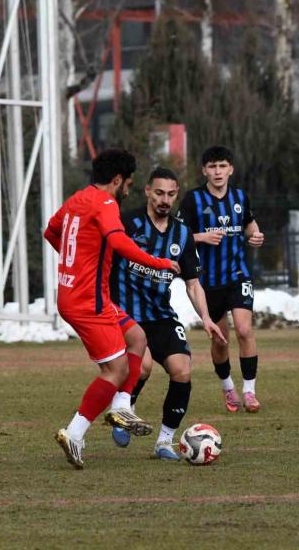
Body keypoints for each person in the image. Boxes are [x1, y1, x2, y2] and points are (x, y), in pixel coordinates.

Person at [43, 148, 180, 469]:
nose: (128, 190)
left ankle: (121, 406)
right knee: (116, 370)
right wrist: (159, 263)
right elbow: (119, 243)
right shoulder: (105, 204)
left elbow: (51, 230)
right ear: (117, 180)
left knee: (137, 337)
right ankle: (74, 433)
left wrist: (75, 261)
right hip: (87, 300)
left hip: (81, 294)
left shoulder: (78, 199)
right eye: (128, 184)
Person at [109, 167, 226, 460]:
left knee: (182, 370)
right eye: (159, 193)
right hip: (125, 314)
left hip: (160, 315)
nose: (165, 200)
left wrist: (206, 317)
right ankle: (124, 408)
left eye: (171, 194)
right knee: (143, 366)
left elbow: (193, 283)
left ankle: (164, 442)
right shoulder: (127, 223)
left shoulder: (182, 233)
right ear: (148, 191)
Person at [176, 146, 264, 413]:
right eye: (212, 166)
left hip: (238, 275)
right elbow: (176, 236)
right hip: (207, 281)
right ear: (204, 170)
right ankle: (228, 387)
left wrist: (255, 235)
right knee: (220, 339)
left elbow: (249, 224)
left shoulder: (240, 197)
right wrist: (201, 237)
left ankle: (249, 391)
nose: (217, 172)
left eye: (222, 166)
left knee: (245, 330)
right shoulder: (193, 200)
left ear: (230, 169)